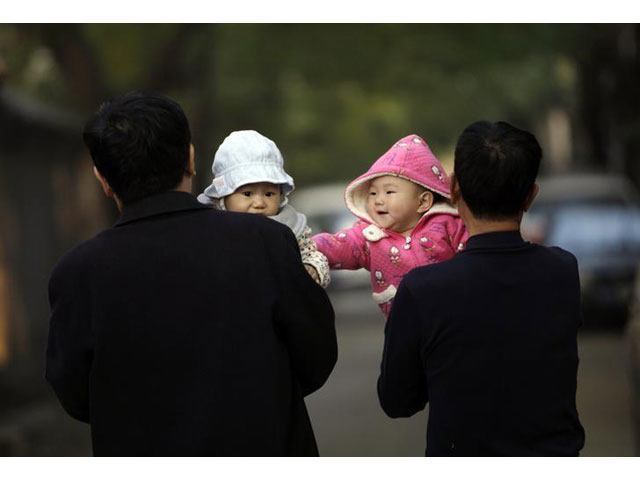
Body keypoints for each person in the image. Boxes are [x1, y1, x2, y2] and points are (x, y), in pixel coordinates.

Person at [45, 92, 337, 456]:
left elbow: (75, 394)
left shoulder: (76, 274)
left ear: (102, 179)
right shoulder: (266, 241)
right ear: (191, 159)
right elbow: (317, 355)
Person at [377, 121, 585, 456]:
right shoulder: (562, 271)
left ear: (454, 189)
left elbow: (398, 400)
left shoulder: (423, 290)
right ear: (531, 196)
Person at [313, 134, 468, 318]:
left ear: (423, 201)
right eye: (372, 193)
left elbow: (474, 254)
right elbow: (337, 245)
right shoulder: (369, 236)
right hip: (403, 326)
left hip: (454, 317)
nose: (378, 200)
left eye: (389, 192)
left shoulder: (448, 224)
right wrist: (305, 249)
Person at [197, 130, 330, 288]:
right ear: (221, 197)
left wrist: (313, 267)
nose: (259, 203)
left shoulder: (290, 225)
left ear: (280, 194)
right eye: (247, 193)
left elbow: (311, 254)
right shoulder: (210, 227)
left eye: (269, 194)